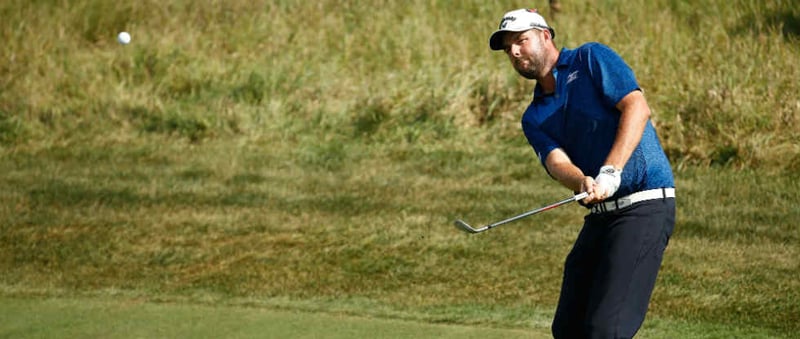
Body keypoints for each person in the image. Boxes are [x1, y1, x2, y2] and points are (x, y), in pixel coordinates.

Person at [488, 8, 676, 339]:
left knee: (606, 330)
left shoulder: (590, 59)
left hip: (644, 205)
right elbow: (556, 161)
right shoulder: (534, 116)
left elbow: (637, 108)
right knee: (568, 328)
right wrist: (581, 181)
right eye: (508, 49)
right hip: (601, 215)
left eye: (520, 41)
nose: (514, 53)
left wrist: (610, 171)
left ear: (545, 35)